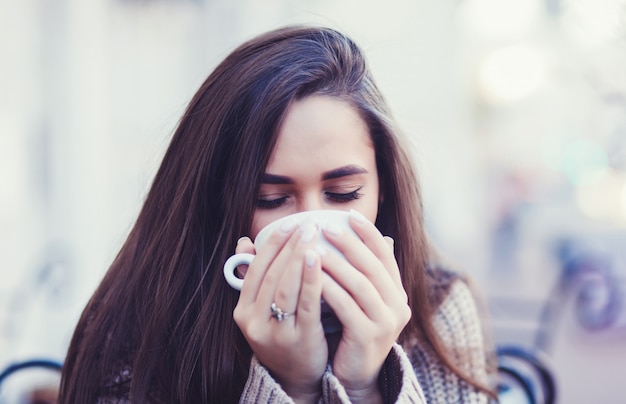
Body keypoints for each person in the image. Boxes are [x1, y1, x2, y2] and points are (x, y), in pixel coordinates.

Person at [59, 25, 496, 403]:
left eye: (344, 193)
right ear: (216, 201)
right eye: (270, 198)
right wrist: (289, 387)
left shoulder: (439, 313)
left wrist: (366, 389)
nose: (310, 229)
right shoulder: (143, 332)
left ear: (383, 191)